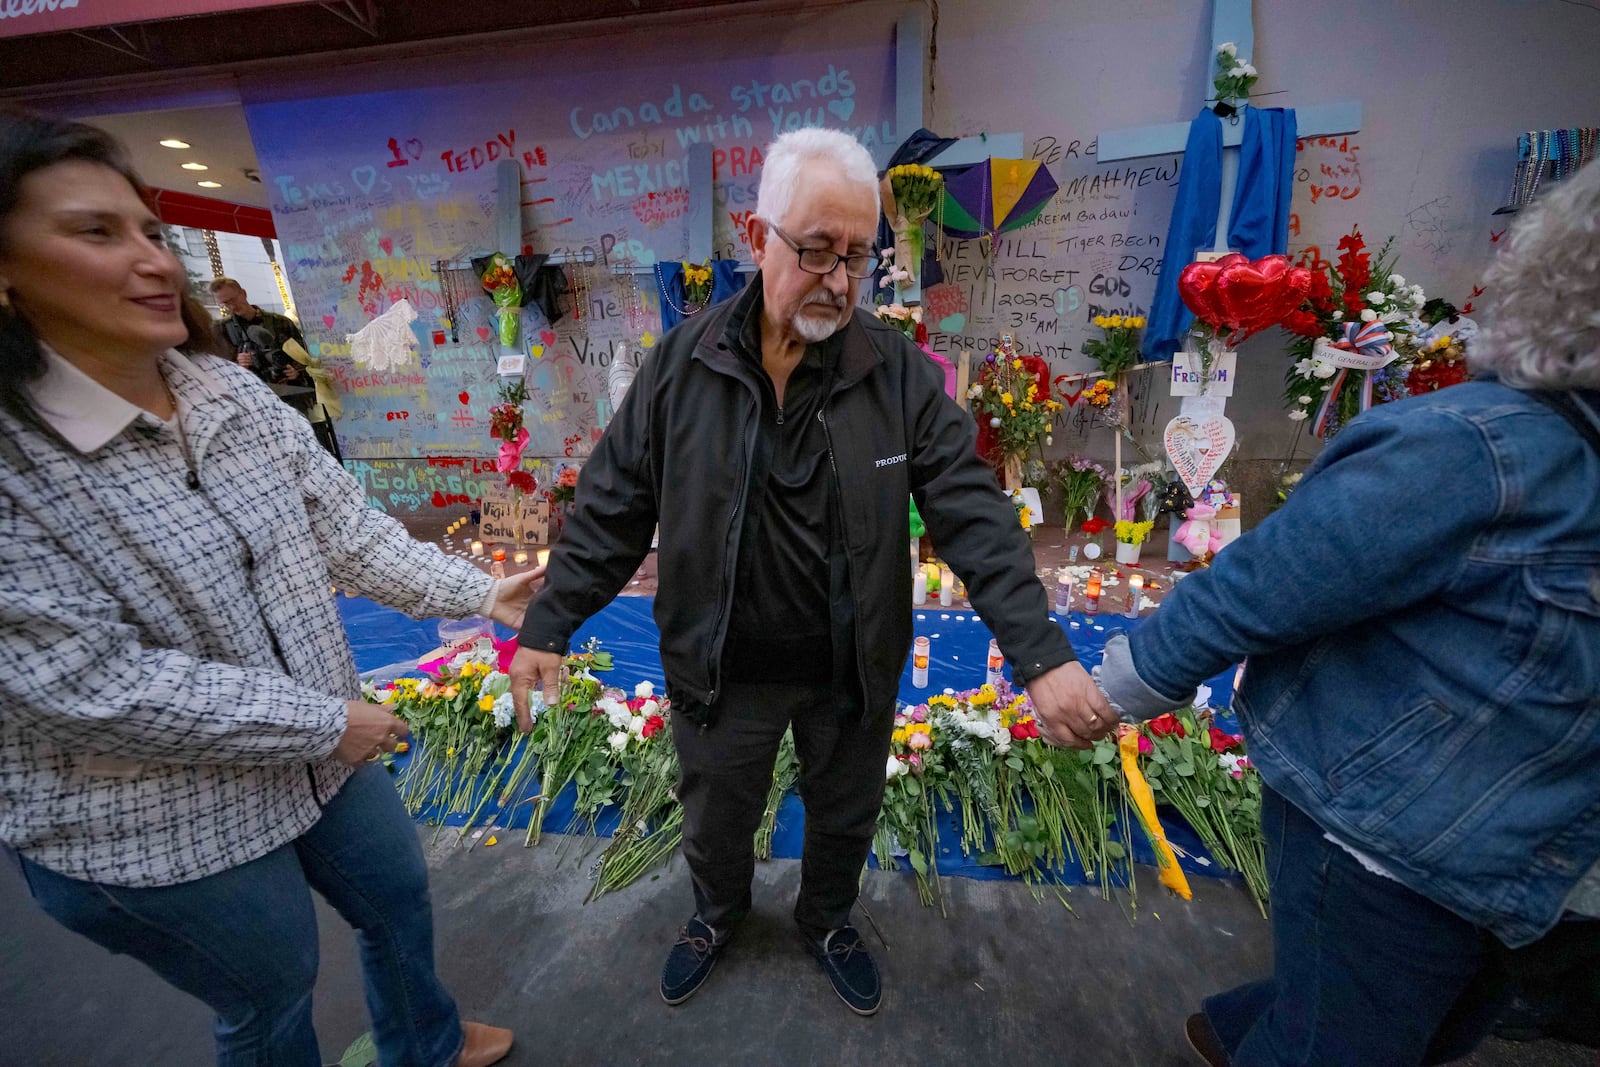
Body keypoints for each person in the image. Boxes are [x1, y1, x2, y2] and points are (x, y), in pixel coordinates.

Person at [507, 128, 1114, 1016]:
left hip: (848, 672)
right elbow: (612, 505)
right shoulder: (685, 366)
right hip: (724, 671)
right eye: (817, 250)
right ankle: (716, 913)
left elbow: (973, 511)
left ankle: (827, 917)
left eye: (858, 255)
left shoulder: (894, 372)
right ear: (757, 238)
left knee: (844, 819)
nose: (838, 278)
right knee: (715, 822)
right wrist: (549, 624)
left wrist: (1042, 651)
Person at [0, 109, 534, 1067]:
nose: (155, 261)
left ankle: (425, 1040)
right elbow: (89, 686)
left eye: (152, 232)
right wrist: (328, 724)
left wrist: (479, 592)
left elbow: (347, 532)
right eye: (94, 232)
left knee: (394, 891)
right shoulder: (17, 462)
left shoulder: (227, 394)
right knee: (272, 986)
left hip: (320, 752)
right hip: (147, 818)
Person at [1078, 160, 1600, 1067]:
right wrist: (1112, 690)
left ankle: (1235, 1031)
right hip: (1383, 846)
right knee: (1355, 1033)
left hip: (1522, 859)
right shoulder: (1478, 452)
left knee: (1422, 1024)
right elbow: (1262, 583)